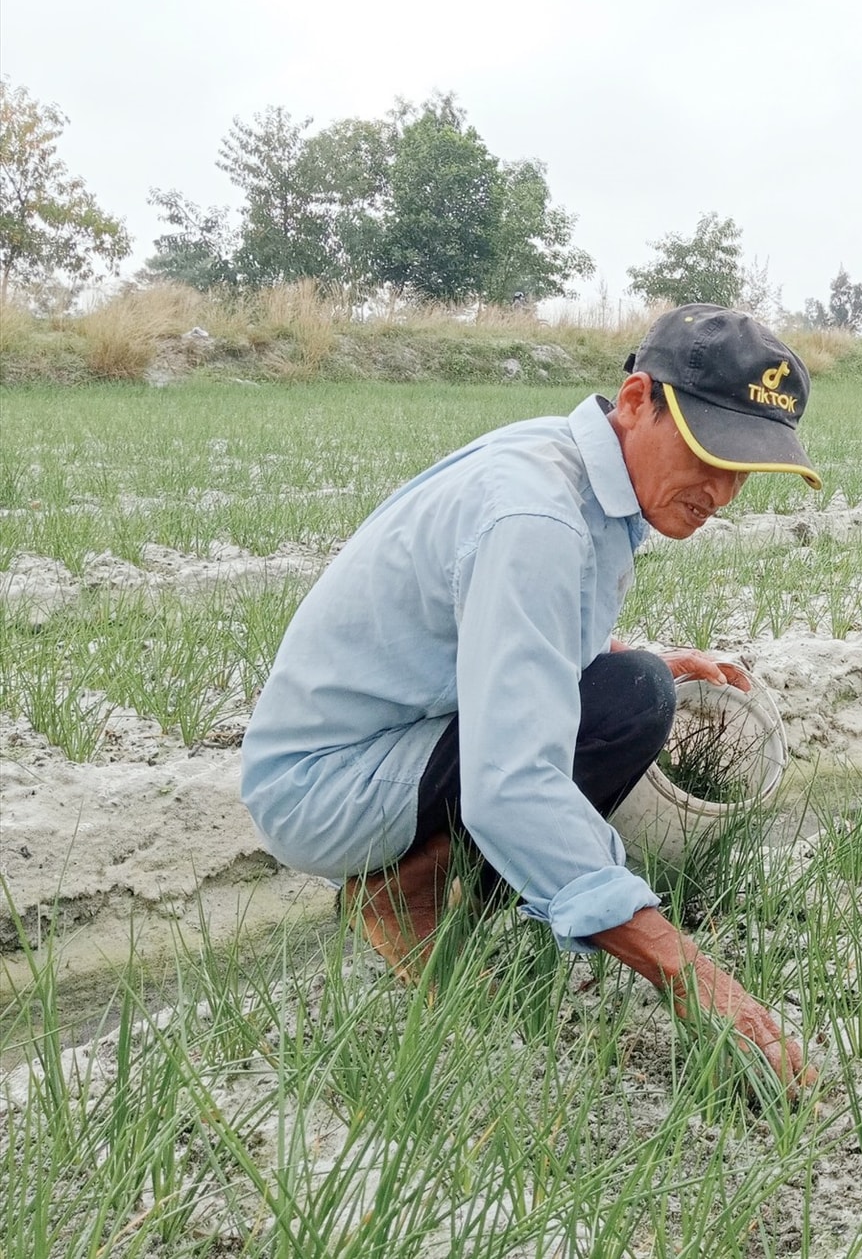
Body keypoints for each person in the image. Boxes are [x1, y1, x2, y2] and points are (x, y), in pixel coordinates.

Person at [240, 304, 818, 1086]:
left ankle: (457, 893)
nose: (722, 489)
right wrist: (695, 978)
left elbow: (498, 628)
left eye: (744, 468)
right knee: (615, 706)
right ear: (637, 398)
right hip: (324, 780)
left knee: (633, 687)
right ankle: (405, 892)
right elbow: (513, 785)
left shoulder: (577, 477)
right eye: (710, 450)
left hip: (395, 736)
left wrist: (614, 652)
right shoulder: (535, 513)